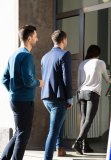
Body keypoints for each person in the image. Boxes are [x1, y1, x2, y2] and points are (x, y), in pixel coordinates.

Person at [1, 25, 44, 160]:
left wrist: (13, 91)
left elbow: (4, 79)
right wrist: (39, 83)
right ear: (29, 38)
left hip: (14, 100)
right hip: (24, 101)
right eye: (35, 36)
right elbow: (28, 81)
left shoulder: (13, 55)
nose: (37, 39)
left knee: (18, 133)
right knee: (23, 136)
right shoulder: (26, 56)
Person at [72, 45, 111, 155]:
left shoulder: (82, 64)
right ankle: (78, 142)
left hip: (81, 92)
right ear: (97, 53)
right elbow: (107, 79)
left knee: (84, 119)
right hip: (92, 93)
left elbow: (79, 81)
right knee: (89, 119)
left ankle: (85, 145)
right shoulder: (100, 62)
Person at [41, 30, 72, 160]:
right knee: (53, 131)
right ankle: (47, 157)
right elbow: (67, 79)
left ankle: (60, 148)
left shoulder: (45, 57)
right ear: (63, 40)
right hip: (58, 99)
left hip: (46, 97)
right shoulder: (65, 54)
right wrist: (69, 97)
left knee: (59, 123)